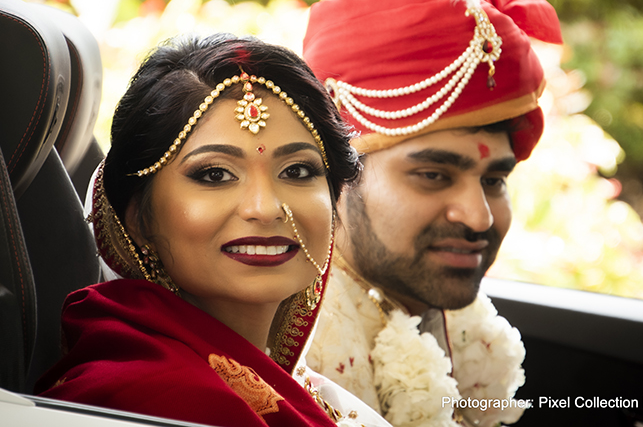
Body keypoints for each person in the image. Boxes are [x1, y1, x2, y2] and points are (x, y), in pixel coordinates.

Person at [302, 0, 563, 426]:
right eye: (432, 174)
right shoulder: (292, 361)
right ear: (336, 175)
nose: (479, 216)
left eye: (494, 180)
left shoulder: (436, 312)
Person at [35, 34, 392, 427]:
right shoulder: (143, 402)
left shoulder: (298, 386)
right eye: (215, 174)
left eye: (297, 171)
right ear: (138, 219)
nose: (265, 208)